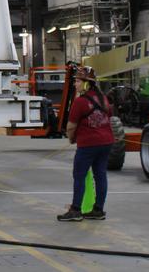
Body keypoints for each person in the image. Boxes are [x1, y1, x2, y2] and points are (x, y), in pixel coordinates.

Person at [57, 66, 114, 222]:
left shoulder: (80, 102)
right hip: (106, 142)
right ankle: (98, 210)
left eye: (77, 81)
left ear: (86, 83)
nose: (75, 84)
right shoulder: (104, 99)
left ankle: (75, 210)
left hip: (88, 145)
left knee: (79, 175)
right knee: (100, 175)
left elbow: (71, 126)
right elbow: (109, 116)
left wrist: (71, 138)